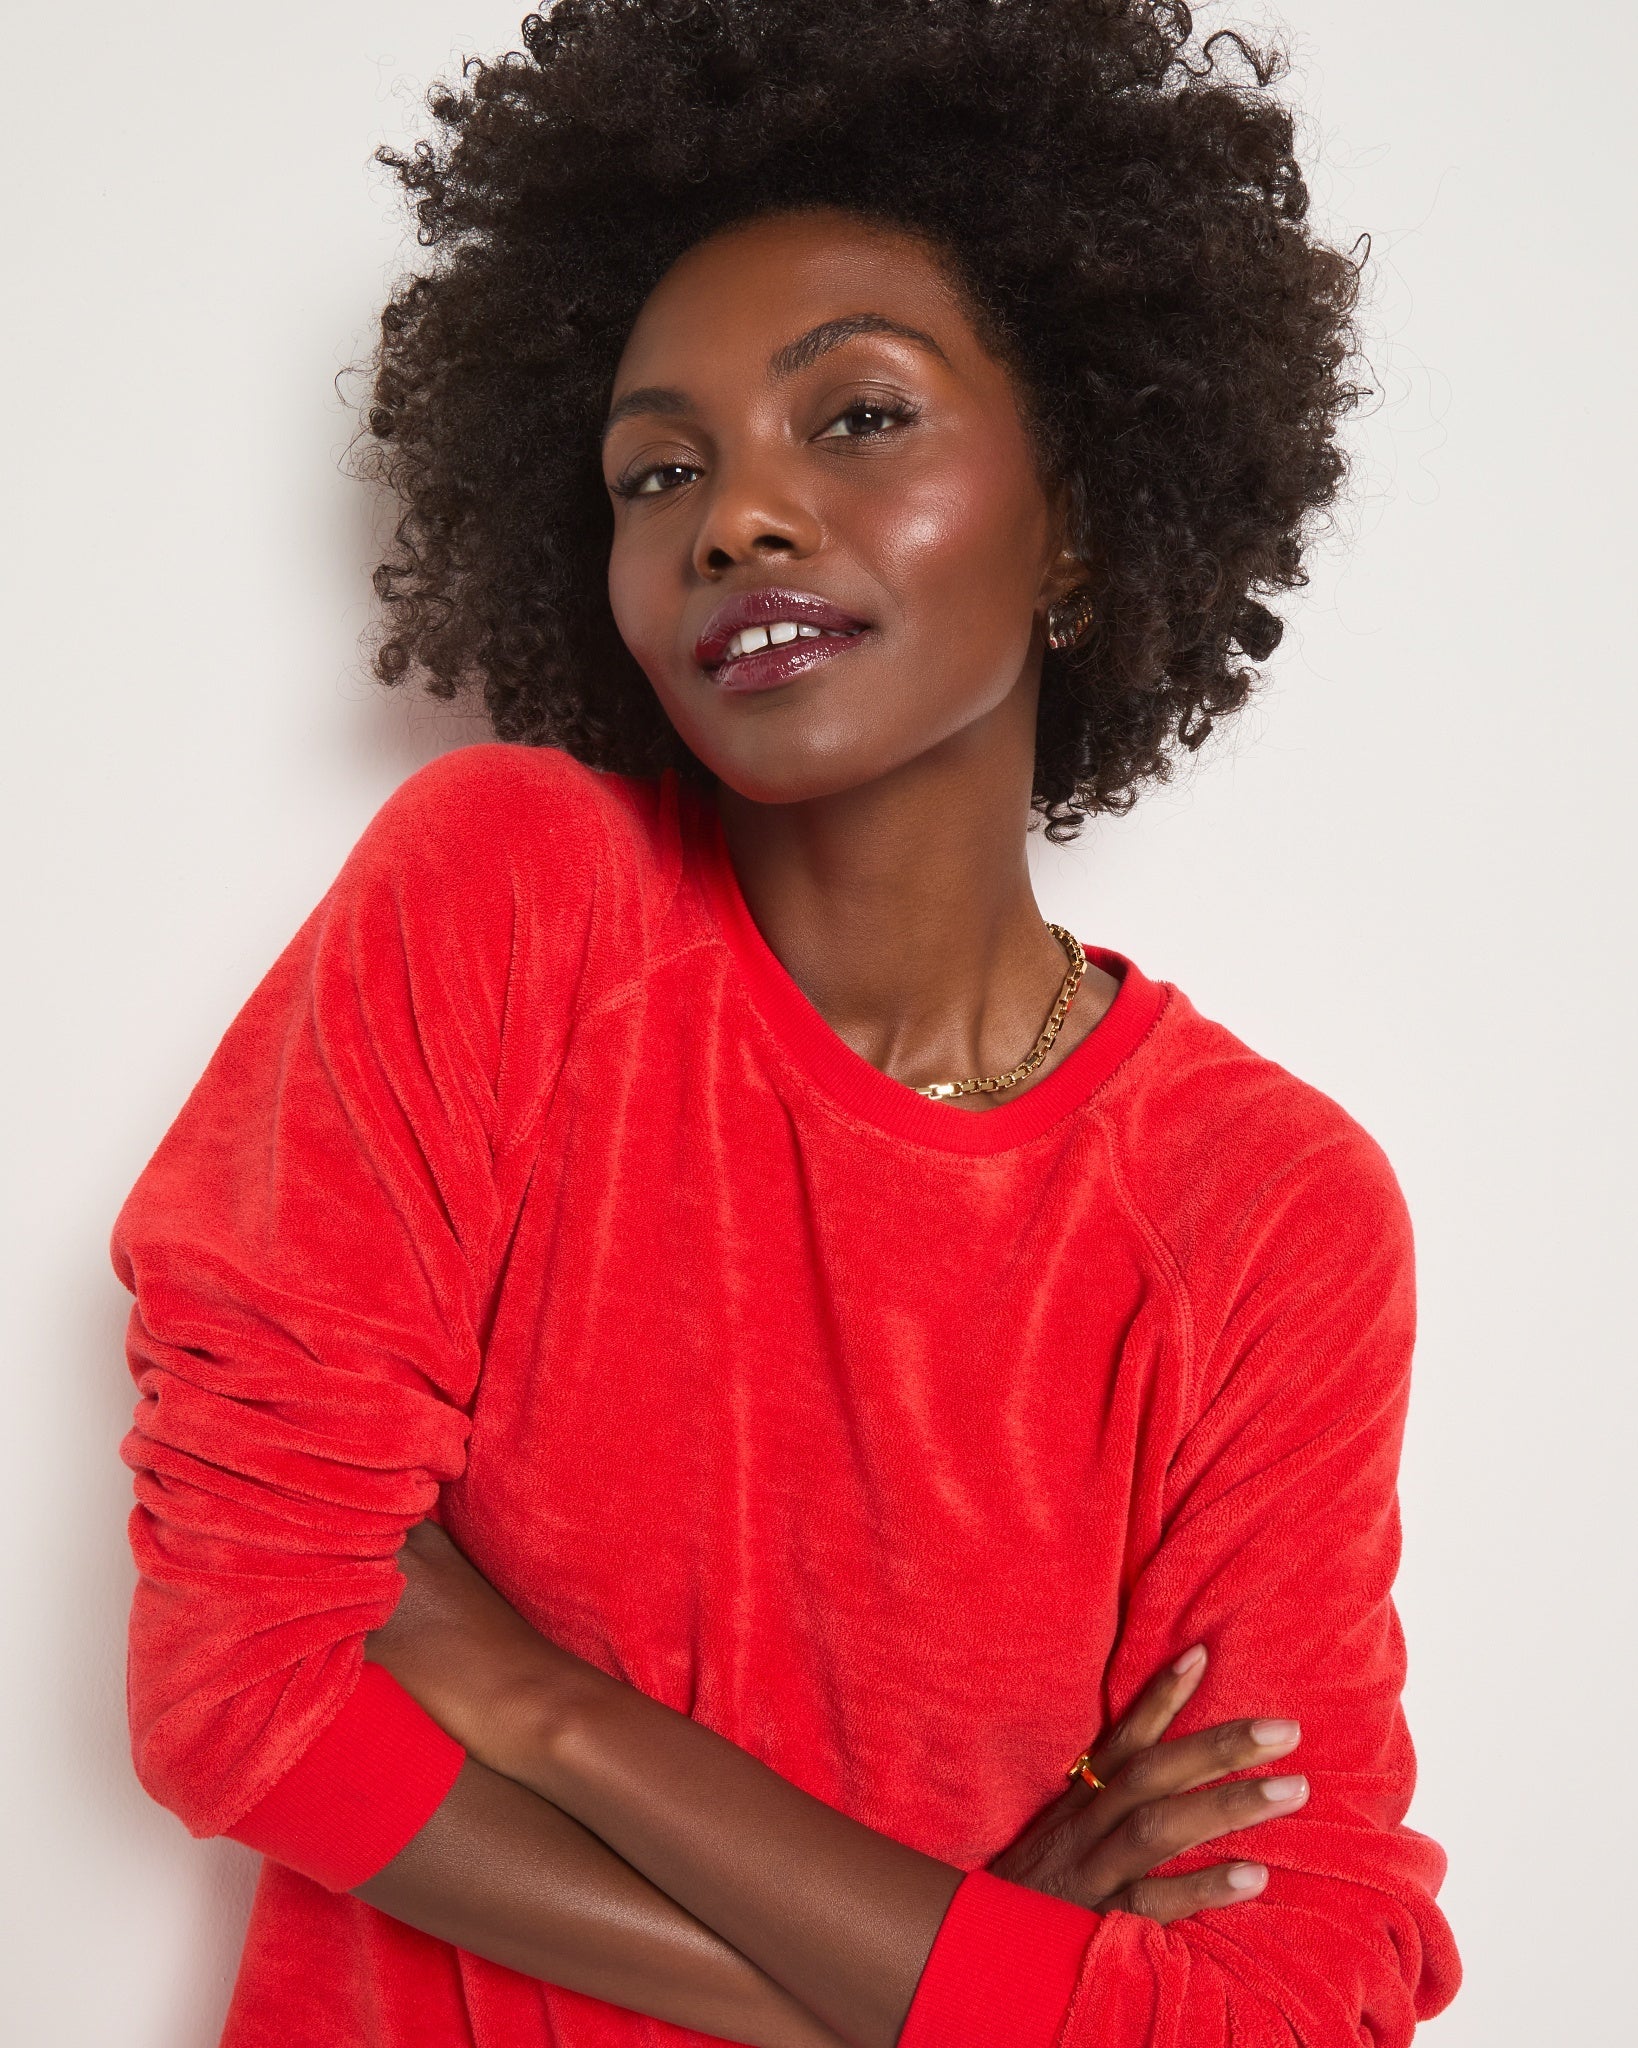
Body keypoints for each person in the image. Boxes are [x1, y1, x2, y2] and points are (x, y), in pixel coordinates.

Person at [111, 4, 1461, 2043]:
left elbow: (1282, 2004)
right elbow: (238, 1689)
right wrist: (964, 1969)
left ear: (1080, 513)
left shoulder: (1259, 1212)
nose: (735, 516)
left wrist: (535, 1704)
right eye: (661, 470)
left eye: (858, 416)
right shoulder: (510, 902)